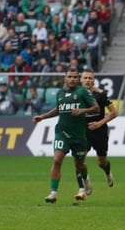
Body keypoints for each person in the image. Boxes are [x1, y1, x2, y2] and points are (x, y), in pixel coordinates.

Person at [33, 68, 100, 202]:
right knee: (57, 159)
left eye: (75, 77)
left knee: (79, 164)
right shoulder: (60, 93)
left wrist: (82, 111)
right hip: (62, 132)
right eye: (70, 76)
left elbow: (96, 108)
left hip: (78, 135)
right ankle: (53, 193)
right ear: (65, 78)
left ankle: (85, 178)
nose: (72, 79)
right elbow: (58, 109)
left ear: (78, 79)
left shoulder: (83, 92)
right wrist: (43, 117)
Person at [82, 69, 117, 188]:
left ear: (93, 80)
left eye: (90, 78)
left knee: (101, 162)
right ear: (81, 79)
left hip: (99, 132)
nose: (87, 80)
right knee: (79, 159)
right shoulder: (76, 95)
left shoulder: (100, 94)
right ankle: (85, 184)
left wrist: (99, 123)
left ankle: (107, 173)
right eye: (85, 78)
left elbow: (114, 112)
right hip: (83, 132)